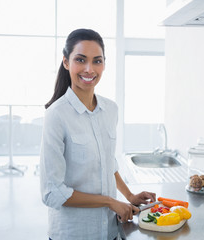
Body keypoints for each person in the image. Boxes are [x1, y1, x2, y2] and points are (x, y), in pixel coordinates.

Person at [40, 28, 156, 240]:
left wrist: (129, 195)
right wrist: (110, 202)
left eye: (97, 61)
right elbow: (52, 192)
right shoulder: (56, 115)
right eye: (81, 60)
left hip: (110, 231)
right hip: (73, 233)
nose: (89, 69)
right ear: (66, 62)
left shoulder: (110, 110)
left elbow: (107, 163)